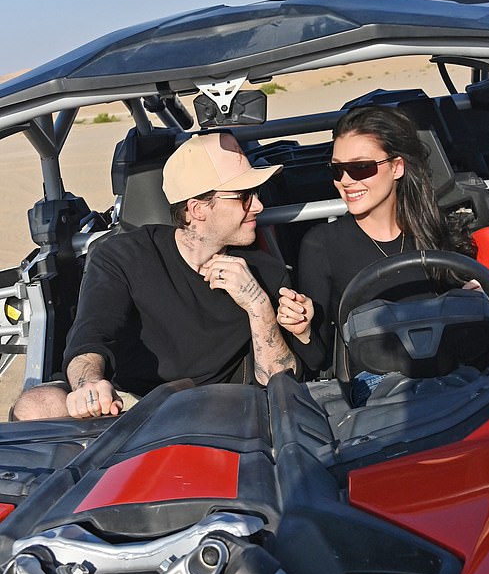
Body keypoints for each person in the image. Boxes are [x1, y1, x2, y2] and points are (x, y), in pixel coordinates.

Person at [12, 132, 298, 421]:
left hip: (217, 413)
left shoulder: (264, 273)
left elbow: (280, 384)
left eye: (257, 193)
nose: (259, 206)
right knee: (35, 405)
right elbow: (91, 336)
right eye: (244, 197)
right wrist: (90, 387)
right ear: (197, 209)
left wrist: (258, 305)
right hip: (126, 407)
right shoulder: (122, 256)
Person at [277, 105, 484, 401]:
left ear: (397, 167)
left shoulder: (436, 229)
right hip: (379, 390)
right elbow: (317, 360)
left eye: (361, 168)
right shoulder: (321, 244)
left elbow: (477, 331)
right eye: (337, 170)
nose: (346, 181)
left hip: (451, 376)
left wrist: (480, 295)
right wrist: (302, 329)